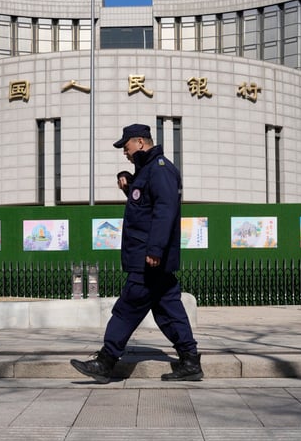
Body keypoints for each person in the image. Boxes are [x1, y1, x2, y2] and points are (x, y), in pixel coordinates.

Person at [71, 123, 203, 383]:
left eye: (126, 146)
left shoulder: (160, 170)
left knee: (128, 307)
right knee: (168, 309)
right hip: (150, 257)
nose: (125, 151)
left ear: (141, 142)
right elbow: (145, 201)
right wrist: (128, 181)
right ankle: (190, 361)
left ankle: (106, 361)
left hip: (148, 258)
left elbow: (164, 212)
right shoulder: (148, 171)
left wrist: (154, 249)